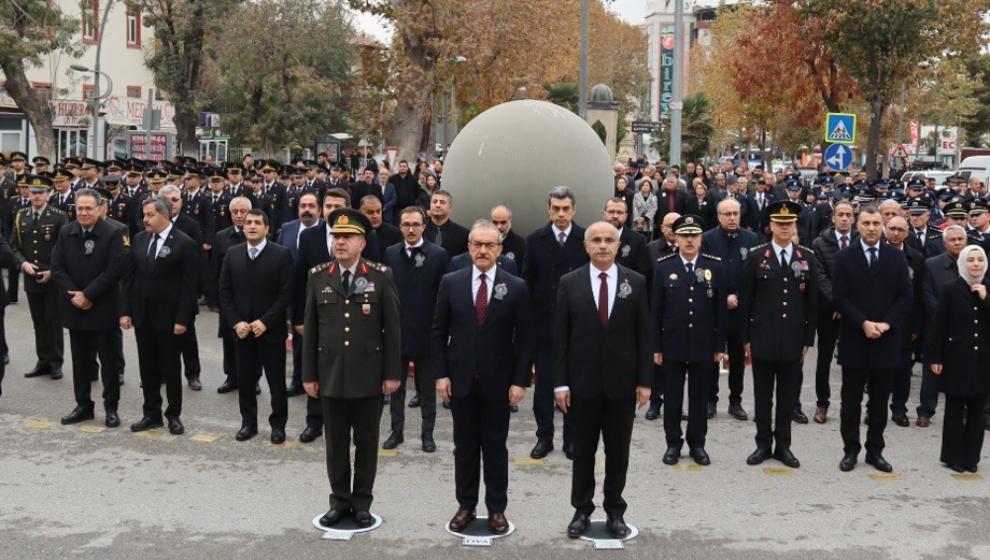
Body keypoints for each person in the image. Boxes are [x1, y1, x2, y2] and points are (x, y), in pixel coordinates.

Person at [303, 208, 401, 529]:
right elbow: (311, 329)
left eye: (347, 237)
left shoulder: (380, 275)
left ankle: (362, 502)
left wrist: (391, 373)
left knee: (367, 441)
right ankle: (339, 500)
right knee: (335, 442)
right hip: (330, 374)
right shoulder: (318, 276)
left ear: (362, 242)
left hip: (369, 374)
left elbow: (393, 329)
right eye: (336, 237)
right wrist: (309, 375)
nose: (340, 242)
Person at [553, 221, 652, 539]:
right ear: (585, 246)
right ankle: (581, 510)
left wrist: (645, 381)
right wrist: (560, 383)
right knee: (582, 452)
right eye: (596, 240)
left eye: (609, 240)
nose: (603, 245)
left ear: (618, 244)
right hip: (582, 385)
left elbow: (644, 336)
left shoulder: (635, 282)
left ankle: (614, 510)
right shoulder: (569, 283)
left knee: (618, 452)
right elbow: (560, 340)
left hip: (622, 385)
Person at [432, 220, 532, 535]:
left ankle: (496, 508)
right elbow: (438, 333)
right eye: (477, 244)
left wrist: (519, 381)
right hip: (460, 380)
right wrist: (440, 376)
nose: (483, 250)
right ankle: (466, 506)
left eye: (490, 245)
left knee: (495, 447)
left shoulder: (515, 286)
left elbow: (526, 339)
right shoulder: (452, 282)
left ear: (500, 250)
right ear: (469, 247)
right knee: (464, 448)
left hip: (499, 383)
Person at [832, 206, 912, 473]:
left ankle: (875, 451)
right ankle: (850, 450)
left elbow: (905, 297)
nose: (871, 228)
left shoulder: (896, 257)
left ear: (883, 226)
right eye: (866, 223)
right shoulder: (844, 258)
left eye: (876, 223)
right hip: (855, 337)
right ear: (858, 225)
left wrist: (886, 323)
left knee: (879, 403)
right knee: (850, 402)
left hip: (886, 339)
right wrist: (863, 323)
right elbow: (840, 298)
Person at [740, 200, 818, 469]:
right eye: (779, 224)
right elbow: (745, 299)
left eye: (789, 224)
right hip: (762, 337)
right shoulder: (755, 256)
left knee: (787, 397)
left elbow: (812, 303)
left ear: (794, 225)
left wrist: (808, 339)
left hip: (793, 340)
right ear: (770, 226)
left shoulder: (806, 257)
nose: (784, 228)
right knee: (763, 396)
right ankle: (763, 445)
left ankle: (783, 446)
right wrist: (746, 338)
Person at [50, 189, 129, 427]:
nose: (83, 213)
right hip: (75, 307)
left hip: (103, 307)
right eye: (80, 208)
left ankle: (111, 408)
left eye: (88, 208)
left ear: (99, 209)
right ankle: (83, 405)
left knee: (109, 364)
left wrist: (88, 294)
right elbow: (57, 267)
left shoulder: (114, 233)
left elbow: (115, 270)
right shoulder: (66, 232)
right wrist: (75, 294)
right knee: (80, 362)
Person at [121, 197, 199, 435]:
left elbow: (190, 286)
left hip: (170, 317)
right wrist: (125, 311)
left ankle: (173, 414)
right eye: (144, 215)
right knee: (148, 367)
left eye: (150, 215)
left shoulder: (184, 243)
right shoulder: (140, 239)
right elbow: (129, 279)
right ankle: (151, 413)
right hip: (143, 316)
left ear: (165, 216)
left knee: (171, 368)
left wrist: (182, 319)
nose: (145, 220)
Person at [653, 215, 727, 465]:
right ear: (676, 237)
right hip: (672, 343)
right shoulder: (664, 266)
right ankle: (673, 443)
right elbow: (656, 310)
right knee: (672, 398)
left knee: (698, 398)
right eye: (684, 235)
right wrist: (656, 346)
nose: (689, 240)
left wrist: (720, 346)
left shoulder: (713, 266)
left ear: (700, 238)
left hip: (703, 344)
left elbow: (720, 311)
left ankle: (697, 444)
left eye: (694, 235)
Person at [523, 186, 589, 460]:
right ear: (549, 210)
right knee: (545, 386)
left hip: (577, 327)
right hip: (545, 324)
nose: (561, 214)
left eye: (566, 209)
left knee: (574, 385)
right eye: (556, 209)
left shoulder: (585, 238)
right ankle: (544, 437)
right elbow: (527, 282)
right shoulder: (534, 239)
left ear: (573, 210)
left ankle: (571, 438)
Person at [219, 209, 293, 443]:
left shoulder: (281, 255)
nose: (251, 226)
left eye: (257, 223)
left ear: (267, 229)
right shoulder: (233, 254)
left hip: (270, 330)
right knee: (245, 380)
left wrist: (265, 321)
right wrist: (235, 322)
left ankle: (278, 426)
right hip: (242, 331)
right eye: (248, 222)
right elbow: (224, 292)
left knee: (276, 382)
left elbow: (286, 293)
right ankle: (248, 423)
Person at [382, 206, 449, 452]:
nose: (411, 229)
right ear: (399, 227)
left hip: (427, 333)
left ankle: (427, 435)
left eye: (416, 224)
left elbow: (444, 296)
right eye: (406, 224)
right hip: (397, 333)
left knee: (426, 390)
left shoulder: (438, 255)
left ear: (424, 226)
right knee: (396, 387)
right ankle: (396, 431)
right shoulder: (390, 253)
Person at [928, 245, 990, 473]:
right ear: (963, 263)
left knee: (977, 410)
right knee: (954, 408)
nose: (975, 264)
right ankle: (952, 455)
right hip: (956, 356)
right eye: (971, 259)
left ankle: (971, 457)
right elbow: (939, 325)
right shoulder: (950, 289)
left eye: (980, 260)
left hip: (983, 358)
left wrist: (985, 297)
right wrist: (935, 356)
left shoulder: (988, 287)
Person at [701, 199, 758, 421]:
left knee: (737, 357)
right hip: (714, 307)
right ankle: (710, 400)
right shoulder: (707, 239)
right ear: (719, 216)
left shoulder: (751, 239)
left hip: (740, 310)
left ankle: (736, 401)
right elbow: (703, 272)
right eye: (728, 214)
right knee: (713, 357)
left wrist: (739, 298)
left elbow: (754, 276)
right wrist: (722, 297)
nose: (733, 218)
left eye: (736, 213)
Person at [12, 175, 68, 381]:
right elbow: (14, 245)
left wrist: (54, 271)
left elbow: (65, 248)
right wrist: (23, 263)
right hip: (30, 276)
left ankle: (56, 362)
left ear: (48, 193)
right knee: (38, 321)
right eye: (33, 192)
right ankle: (42, 360)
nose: (36, 196)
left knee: (53, 321)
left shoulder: (58, 216)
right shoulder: (21, 215)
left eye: (41, 192)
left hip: (52, 277)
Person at [809, 201, 857, 424]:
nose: (845, 218)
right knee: (824, 359)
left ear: (853, 219)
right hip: (828, 311)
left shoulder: (861, 241)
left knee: (853, 360)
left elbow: (864, 278)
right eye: (841, 215)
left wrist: (848, 307)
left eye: (849, 215)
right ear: (833, 218)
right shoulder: (820, 243)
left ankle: (851, 405)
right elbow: (820, 278)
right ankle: (822, 404)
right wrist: (838, 304)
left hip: (855, 312)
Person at [918, 226, 969, 427]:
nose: (957, 243)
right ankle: (925, 411)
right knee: (932, 372)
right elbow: (927, 296)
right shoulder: (931, 265)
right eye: (952, 240)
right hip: (938, 328)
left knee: (965, 371)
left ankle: (964, 411)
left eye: (960, 239)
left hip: (966, 328)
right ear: (944, 243)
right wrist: (947, 317)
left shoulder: (975, 263)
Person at [276, 192, 321, 396]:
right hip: (292, 294)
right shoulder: (288, 229)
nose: (307, 210)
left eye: (311, 206)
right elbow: (278, 258)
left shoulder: (325, 231)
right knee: (298, 340)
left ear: (319, 209)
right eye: (303, 205)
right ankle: (297, 380)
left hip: (319, 294)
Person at [883, 215, 926, 427]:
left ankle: (899, 408)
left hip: (905, 323)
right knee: (878, 369)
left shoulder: (915, 258)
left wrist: (917, 325)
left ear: (907, 233)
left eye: (900, 229)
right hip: (879, 321)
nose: (896, 233)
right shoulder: (875, 254)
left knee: (902, 370)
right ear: (885, 229)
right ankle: (876, 408)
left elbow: (919, 295)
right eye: (892, 228)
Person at [210, 197, 253, 394]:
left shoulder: (257, 234)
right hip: (229, 297)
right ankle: (231, 376)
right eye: (235, 211)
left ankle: (253, 378)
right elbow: (215, 269)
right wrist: (214, 298)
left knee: (252, 338)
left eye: (243, 211)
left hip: (252, 297)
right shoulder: (221, 236)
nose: (239, 215)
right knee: (229, 337)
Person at [603, 197, 652, 280]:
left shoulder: (638, 240)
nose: (615, 216)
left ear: (626, 216)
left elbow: (642, 274)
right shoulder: (592, 237)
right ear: (604, 214)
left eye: (619, 212)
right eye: (611, 212)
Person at [423, 190, 469, 257]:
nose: (437, 205)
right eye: (434, 202)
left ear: (450, 208)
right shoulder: (419, 230)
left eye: (442, 202)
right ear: (430, 206)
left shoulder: (463, 234)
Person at [490, 205, 525, 272]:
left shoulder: (522, 245)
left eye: (503, 222)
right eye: (495, 222)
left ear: (510, 220)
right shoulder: (484, 244)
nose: (499, 227)